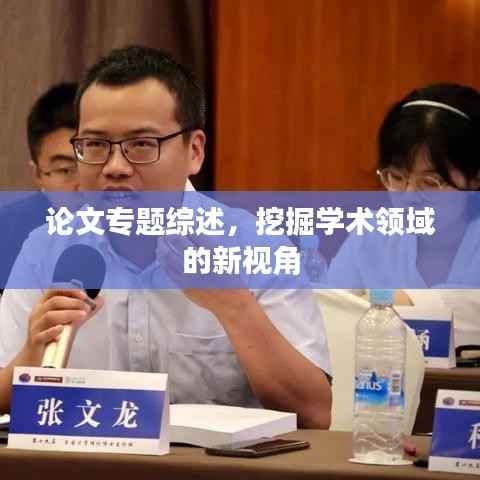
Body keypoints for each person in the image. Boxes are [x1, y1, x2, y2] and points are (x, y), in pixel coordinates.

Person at [0, 46, 332, 427]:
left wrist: (233, 305)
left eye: (142, 144)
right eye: (95, 145)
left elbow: (315, 414)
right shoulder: (47, 249)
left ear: (195, 152)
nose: (115, 167)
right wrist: (31, 355)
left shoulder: (256, 246)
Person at [328, 83, 480, 347]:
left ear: (475, 178)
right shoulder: (373, 233)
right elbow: (329, 314)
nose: (409, 196)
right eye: (397, 177)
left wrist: (400, 302)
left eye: (430, 182)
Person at [0, 83, 79, 292]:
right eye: (65, 170)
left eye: (92, 163)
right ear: (37, 174)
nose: (83, 185)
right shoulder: (7, 233)